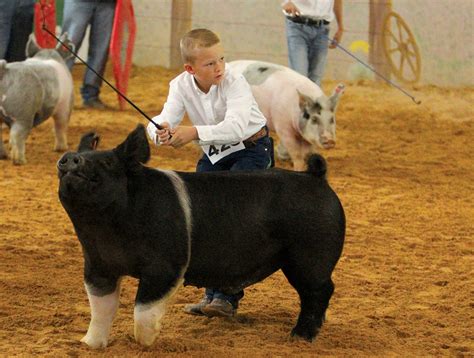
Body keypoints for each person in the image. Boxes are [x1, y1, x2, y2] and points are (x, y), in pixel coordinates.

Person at [146, 28, 272, 317]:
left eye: (222, 60)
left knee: (235, 221)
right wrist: (160, 132)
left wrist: (193, 133)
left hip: (251, 150)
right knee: (203, 220)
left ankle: (226, 297)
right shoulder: (179, 85)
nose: (220, 68)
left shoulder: (234, 82)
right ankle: (212, 293)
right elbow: (164, 118)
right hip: (215, 154)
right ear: (190, 69)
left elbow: (238, 127)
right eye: (210, 63)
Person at [61, 0, 116, 109]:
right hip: (78, 2)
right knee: (68, 47)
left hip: (108, 3)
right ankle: (59, 94)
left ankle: (91, 95)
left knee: (101, 50)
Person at [282, 0, 344, 86]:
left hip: (322, 29)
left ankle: (309, 99)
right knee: (299, 76)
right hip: (298, 25)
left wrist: (340, 27)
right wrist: (287, 2)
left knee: (315, 79)